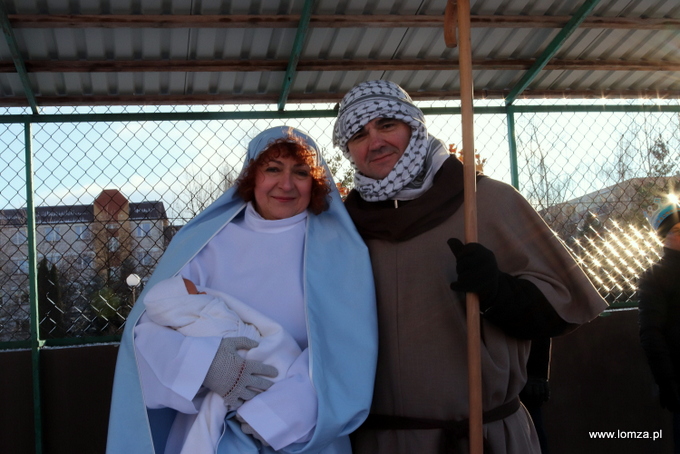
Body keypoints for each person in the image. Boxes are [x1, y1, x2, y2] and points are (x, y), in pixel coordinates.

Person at [332, 80, 608, 454]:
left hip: (480, 439)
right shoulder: (342, 228)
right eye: (359, 134)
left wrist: (499, 292)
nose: (375, 142)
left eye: (387, 125)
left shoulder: (486, 201)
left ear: (413, 126)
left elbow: (561, 308)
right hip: (376, 442)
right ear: (349, 149)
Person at [107, 126, 378, 454]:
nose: (286, 184)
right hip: (213, 431)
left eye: (301, 172)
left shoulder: (339, 250)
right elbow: (150, 326)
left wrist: (274, 416)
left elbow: (345, 349)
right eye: (273, 169)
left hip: (303, 430)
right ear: (251, 177)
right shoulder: (206, 244)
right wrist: (207, 366)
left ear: (316, 182)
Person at [141, 275, 302, 453]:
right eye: (196, 293)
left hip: (300, 386)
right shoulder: (186, 301)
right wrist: (204, 361)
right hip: (227, 392)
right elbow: (148, 337)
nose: (204, 293)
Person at [638, 195, 680, 453]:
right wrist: (668, 383)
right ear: (663, 238)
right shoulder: (655, 277)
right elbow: (650, 333)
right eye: (676, 230)